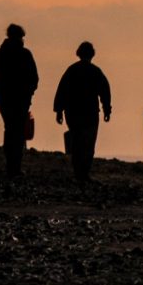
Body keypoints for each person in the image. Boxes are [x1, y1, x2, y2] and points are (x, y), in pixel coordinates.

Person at [54, 41, 112, 185]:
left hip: (73, 113)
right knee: (88, 144)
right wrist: (106, 109)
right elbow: (105, 92)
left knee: (77, 142)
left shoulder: (71, 70)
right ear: (92, 55)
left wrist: (59, 111)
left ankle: (78, 172)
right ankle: (84, 173)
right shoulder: (95, 72)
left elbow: (62, 91)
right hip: (90, 113)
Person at [0, 23, 39, 179]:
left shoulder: (0, 53)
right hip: (21, 99)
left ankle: (12, 165)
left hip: (4, 98)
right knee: (16, 131)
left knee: (10, 129)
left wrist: (1, 89)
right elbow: (34, 78)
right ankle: (14, 166)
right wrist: (29, 92)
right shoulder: (25, 54)